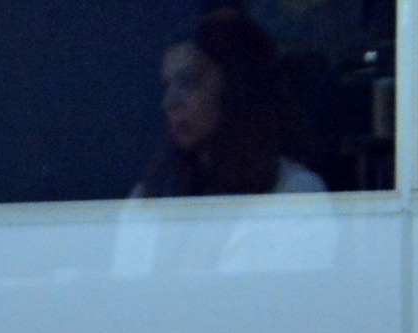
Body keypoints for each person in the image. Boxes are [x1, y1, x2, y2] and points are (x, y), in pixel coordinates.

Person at [135, 13, 326, 198]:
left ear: (234, 85)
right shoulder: (154, 190)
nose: (169, 102)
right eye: (167, 85)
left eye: (187, 81)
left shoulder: (295, 190)